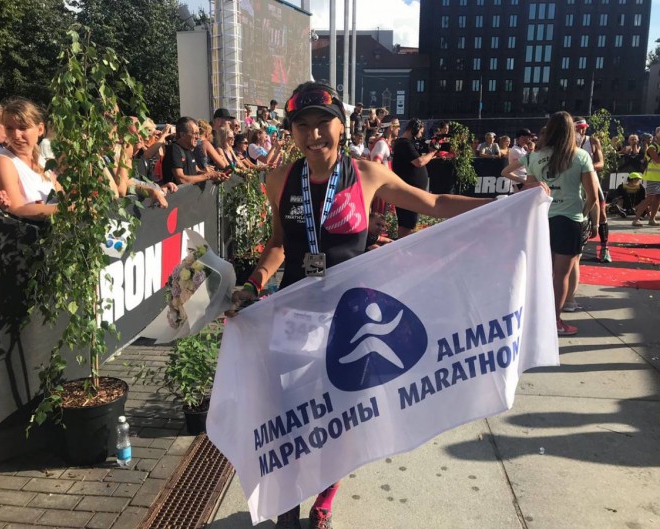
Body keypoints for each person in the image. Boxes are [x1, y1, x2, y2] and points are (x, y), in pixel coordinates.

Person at [229, 81, 498, 529]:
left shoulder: (367, 174)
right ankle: (287, 503)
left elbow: (433, 202)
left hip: (353, 321)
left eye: (323, 123)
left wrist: (506, 203)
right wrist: (253, 285)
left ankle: (324, 502)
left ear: (341, 125)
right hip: (295, 317)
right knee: (290, 415)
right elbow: (277, 245)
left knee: (343, 419)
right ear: (291, 131)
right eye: (302, 125)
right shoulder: (279, 180)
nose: (313, 134)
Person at [502, 111, 598, 337]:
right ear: (570, 131)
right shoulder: (581, 156)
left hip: (541, 219)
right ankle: (554, 321)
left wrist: (532, 183)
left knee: (539, 272)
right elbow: (593, 196)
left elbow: (517, 180)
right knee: (561, 275)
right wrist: (583, 215)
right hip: (569, 220)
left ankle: (532, 318)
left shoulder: (534, 156)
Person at [0, 98, 65, 220]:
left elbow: (60, 194)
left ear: (40, 129)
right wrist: (66, 209)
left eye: (23, 128)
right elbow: (16, 209)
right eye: (9, 128)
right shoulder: (3, 161)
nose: (16, 135)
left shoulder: (41, 160)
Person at [391, 118, 439, 238]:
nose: (421, 135)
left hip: (411, 191)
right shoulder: (404, 144)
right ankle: (402, 246)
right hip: (408, 191)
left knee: (409, 222)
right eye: (421, 132)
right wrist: (432, 153)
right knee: (407, 223)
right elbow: (419, 162)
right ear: (414, 129)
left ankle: (403, 245)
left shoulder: (407, 143)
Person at [574, 117, 609, 262]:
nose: (582, 130)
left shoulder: (592, 141)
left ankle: (604, 248)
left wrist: (586, 168)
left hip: (590, 178)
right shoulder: (567, 141)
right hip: (573, 179)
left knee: (601, 211)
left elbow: (601, 163)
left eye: (584, 128)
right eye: (579, 128)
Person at [161, 117, 226, 186]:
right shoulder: (174, 149)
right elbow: (181, 179)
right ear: (182, 135)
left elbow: (197, 171)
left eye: (198, 133)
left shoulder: (189, 149)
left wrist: (215, 175)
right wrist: (208, 176)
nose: (198, 137)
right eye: (195, 133)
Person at [632, 126, 660, 227]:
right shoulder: (652, 147)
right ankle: (636, 219)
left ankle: (652, 219)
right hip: (653, 177)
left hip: (658, 177)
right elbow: (657, 160)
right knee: (649, 199)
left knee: (658, 198)